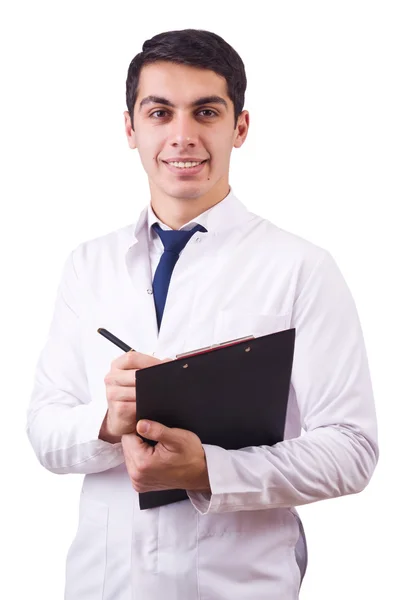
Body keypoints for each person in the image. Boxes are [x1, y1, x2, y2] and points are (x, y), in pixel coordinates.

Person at [26, 28, 378, 600]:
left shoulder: (301, 268)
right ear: (130, 128)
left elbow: (351, 450)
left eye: (206, 112)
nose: (182, 136)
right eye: (160, 112)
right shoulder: (87, 267)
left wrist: (209, 471)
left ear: (239, 127)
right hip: (104, 586)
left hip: (239, 587)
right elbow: (43, 430)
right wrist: (107, 423)